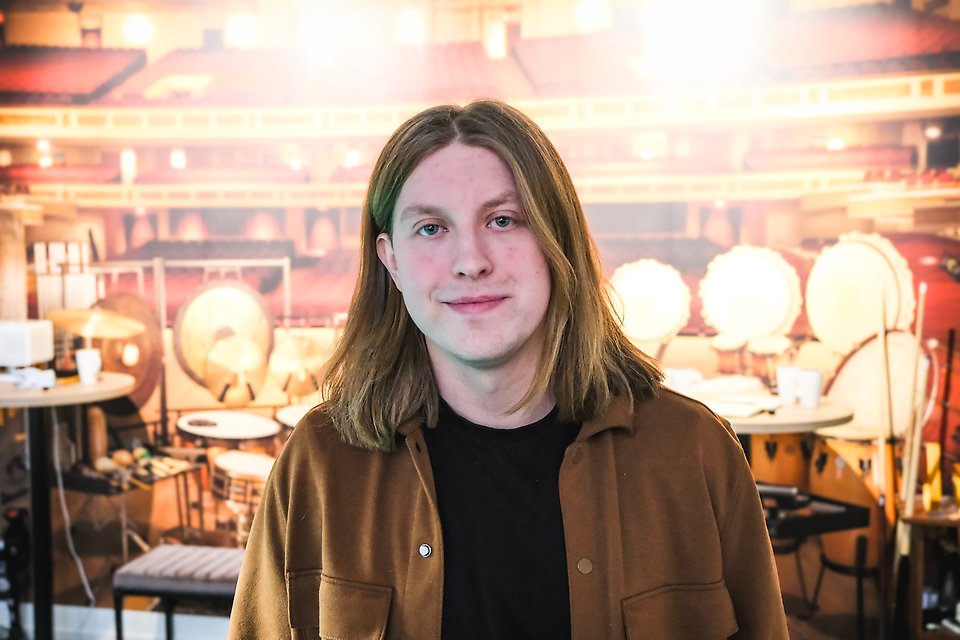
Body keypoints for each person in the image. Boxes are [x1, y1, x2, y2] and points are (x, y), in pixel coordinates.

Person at [229, 100, 788, 639]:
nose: (471, 261)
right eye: (431, 228)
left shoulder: (696, 454)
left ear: (556, 241)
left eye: (502, 220)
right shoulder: (319, 465)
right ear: (391, 260)